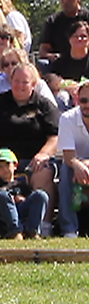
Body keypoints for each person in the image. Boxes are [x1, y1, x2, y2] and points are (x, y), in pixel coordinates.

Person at [0, 63, 59, 236]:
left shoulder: (43, 105)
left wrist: (43, 154)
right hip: (5, 160)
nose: (20, 85)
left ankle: (40, 227)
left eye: (25, 82)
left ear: (33, 84)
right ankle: (7, 227)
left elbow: (55, 136)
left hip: (34, 159)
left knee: (43, 173)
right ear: (10, 81)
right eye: (16, 81)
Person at [0, 148, 48, 240]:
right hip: (3, 212)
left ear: (15, 165)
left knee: (41, 195)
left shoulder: (21, 185)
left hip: (20, 209)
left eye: (7, 165)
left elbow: (30, 200)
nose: (4, 169)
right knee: (2, 195)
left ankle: (32, 231)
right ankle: (15, 232)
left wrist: (21, 199)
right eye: (0, 166)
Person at [56, 80, 89, 237]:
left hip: (83, 165)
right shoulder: (67, 118)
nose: (87, 104)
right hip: (74, 166)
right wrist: (77, 165)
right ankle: (69, 229)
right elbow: (68, 156)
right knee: (65, 170)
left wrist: (84, 164)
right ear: (76, 100)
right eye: (84, 100)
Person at [39, 0, 89, 66]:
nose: (65, 1)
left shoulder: (87, 17)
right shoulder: (52, 21)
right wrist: (51, 56)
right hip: (62, 65)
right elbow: (43, 50)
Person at [50, 20, 89, 88]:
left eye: (83, 36)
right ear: (69, 39)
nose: (79, 39)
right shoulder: (59, 63)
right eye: (75, 36)